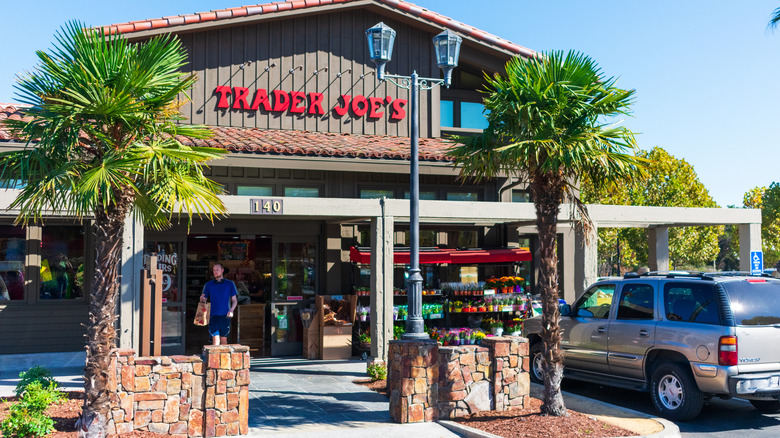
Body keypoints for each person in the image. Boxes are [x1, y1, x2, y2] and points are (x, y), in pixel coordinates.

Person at [200, 263, 238, 346]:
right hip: (213, 316)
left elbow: (234, 300)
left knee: (224, 341)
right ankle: (215, 359)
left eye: (217, 269)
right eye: (214, 270)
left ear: (222, 270)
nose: (215, 272)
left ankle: (224, 359)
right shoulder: (208, 285)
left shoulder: (230, 284)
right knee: (215, 340)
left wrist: (231, 310)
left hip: (225, 315)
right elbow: (204, 300)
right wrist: (202, 299)